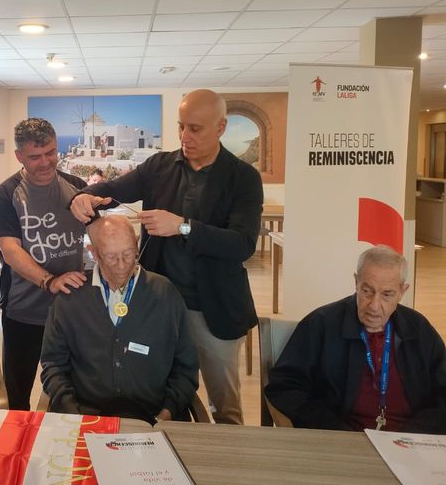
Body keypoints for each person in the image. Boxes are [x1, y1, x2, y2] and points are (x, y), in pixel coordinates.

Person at [70, 89, 262, 424]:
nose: (185, 137)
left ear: (220, 127)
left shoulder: (243, 178)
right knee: (160, 390)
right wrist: (84, 195)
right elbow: (112, 191)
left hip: (215, 308)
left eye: (195, 129)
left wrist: (183, 227)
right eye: (181, 126)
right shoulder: (160, 166)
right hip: (159, 305)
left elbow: (242, 244)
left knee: (224, 407)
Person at [265, 245, 446, 433]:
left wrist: (413, 435)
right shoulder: (321, 324)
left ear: (402, 291)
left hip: (410, 440)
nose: (374, 306)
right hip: (342, 439)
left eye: (387, 294)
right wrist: (335, 430)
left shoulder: (418, 329)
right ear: (356, 283)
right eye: (367, 291)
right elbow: (284, 387)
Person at [41, 215, 199, 423]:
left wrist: (167, 413)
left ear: (137, 244)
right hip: (87, 417)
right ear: (94, 252)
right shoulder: (71, 298)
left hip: (154, 417)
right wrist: (74, 416)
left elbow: (186, 367)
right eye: (111, 257)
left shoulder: (165, 294)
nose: (122, 265)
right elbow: (53, 365)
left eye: (128, 254)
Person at [0, 118, 88, 410]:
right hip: (24, 311)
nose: (45, 162)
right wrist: (49, 281)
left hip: (70, 311)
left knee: (71, 393)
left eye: (51, 152)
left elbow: (97, 235)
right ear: (19, 156)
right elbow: (10, 251)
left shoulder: (77, 188)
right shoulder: (7, 193)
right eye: (35, 157)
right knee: (17, 396)